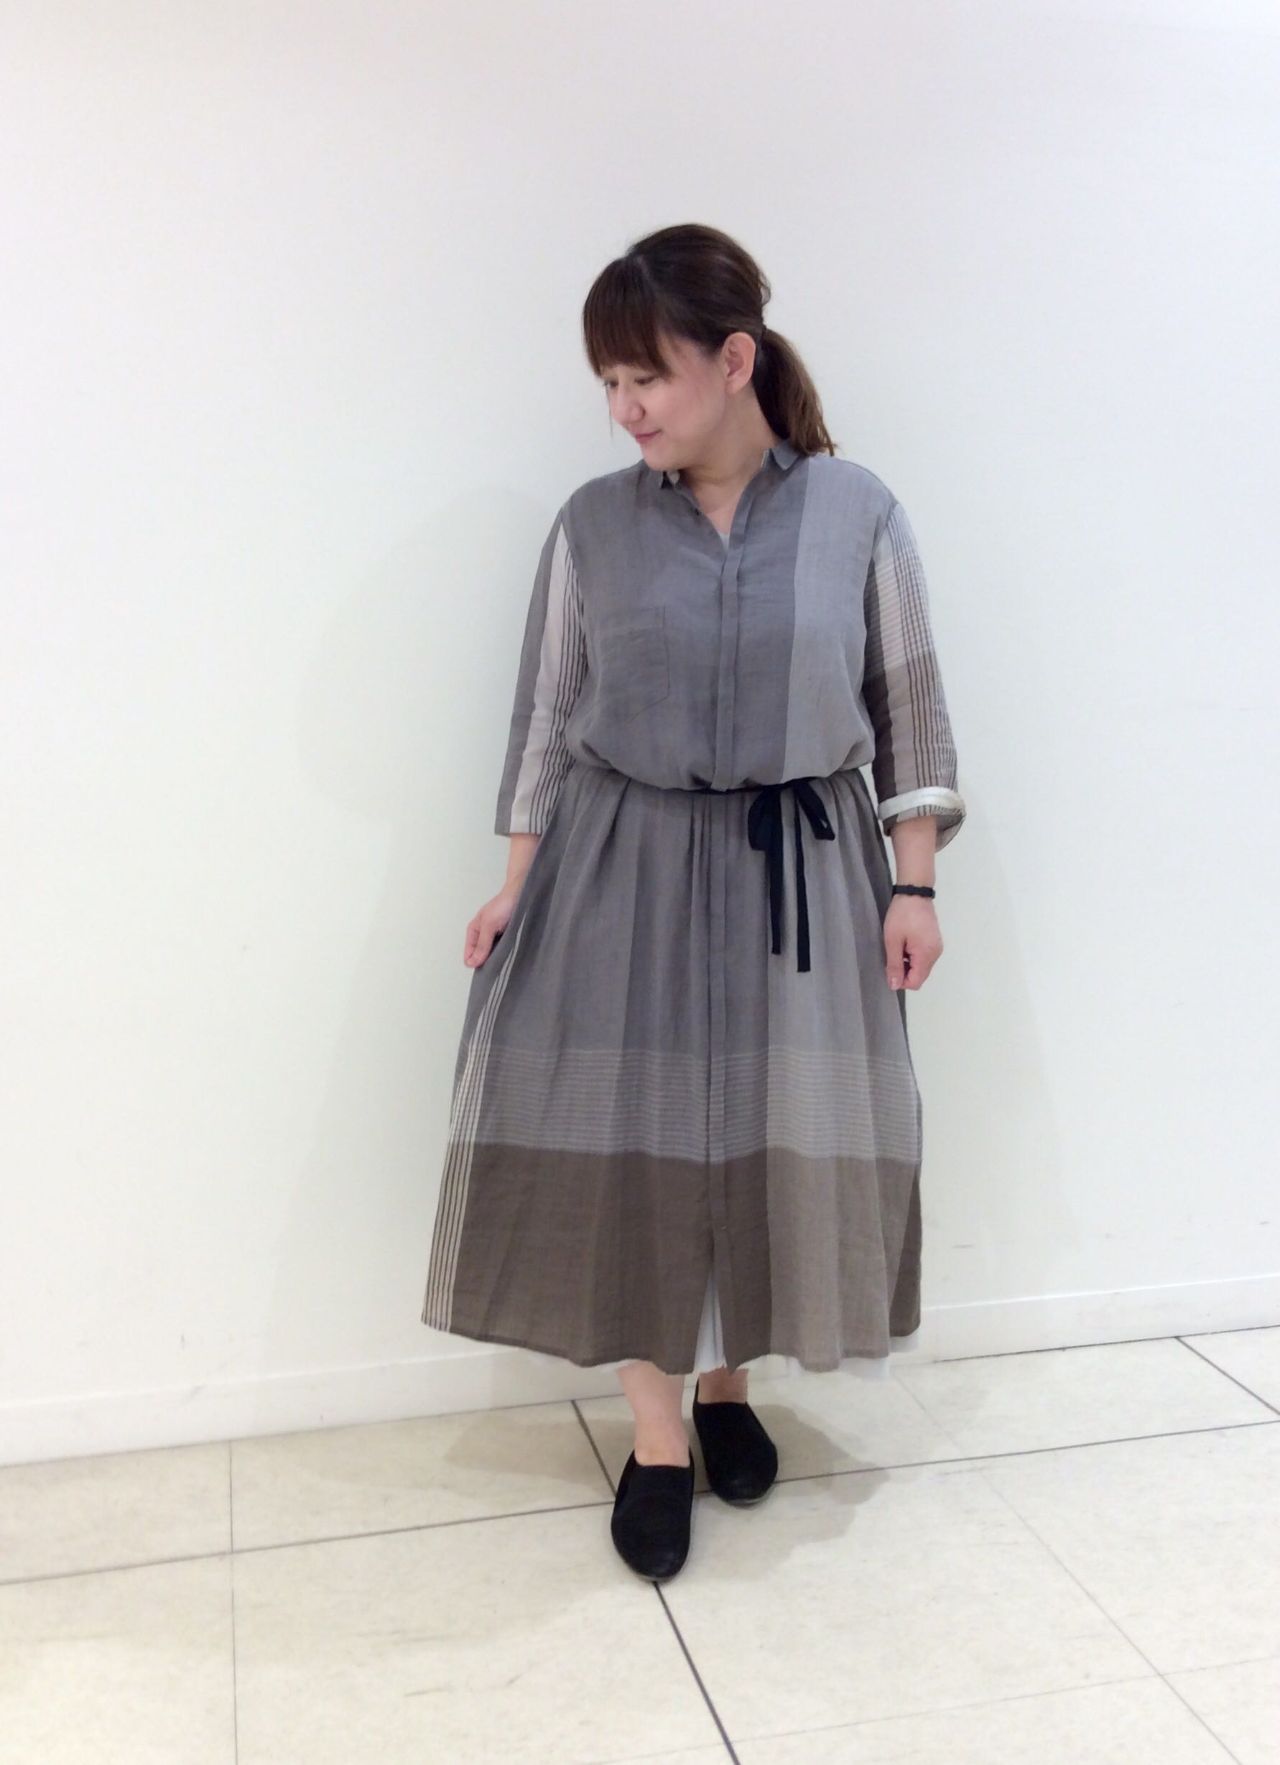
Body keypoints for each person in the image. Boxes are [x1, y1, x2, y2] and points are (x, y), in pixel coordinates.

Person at [421, 222, 966, 1581]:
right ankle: (660, 1440)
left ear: (733, 361)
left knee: (770, 1139)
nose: (626, 407)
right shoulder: (594, 525)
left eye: (645, 375)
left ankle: (730, 1392)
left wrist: (914, 884)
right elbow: (546, 715)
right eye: (608, 382)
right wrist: (514, 885)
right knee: (638, 1148)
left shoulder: (856, 512)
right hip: (624, 862)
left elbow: (908, 705)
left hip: (802, 872)